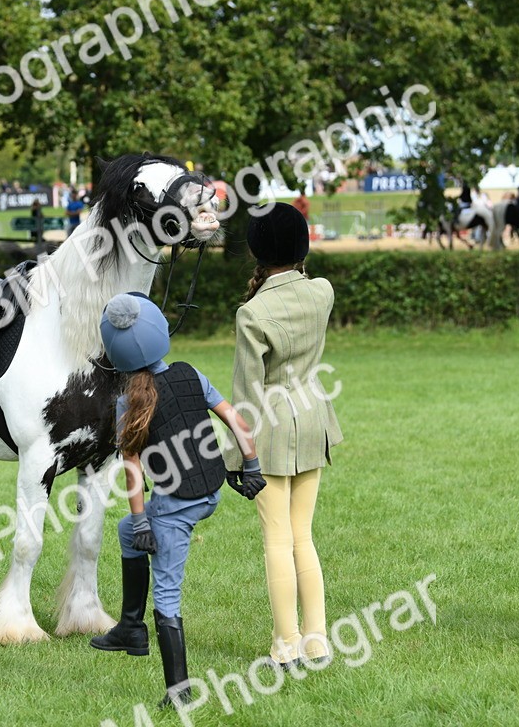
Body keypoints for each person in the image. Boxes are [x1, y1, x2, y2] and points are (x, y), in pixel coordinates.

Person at [89, 292, 262, 708]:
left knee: (167, 594)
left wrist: (147, 520)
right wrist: (252, 465)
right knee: (126, 531)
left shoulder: (126, 403)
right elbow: (237, 420)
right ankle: (130, 627)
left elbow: (131, 466)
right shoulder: (190, 373)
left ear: (115, 355)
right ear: (160, 332)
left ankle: (179, 693)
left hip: (174, 507)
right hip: (208, 492)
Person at [233, 202, 343, 667]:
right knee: (304, 535)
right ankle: (316, 637)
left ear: (257, 252)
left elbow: (245, 396)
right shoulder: (322, 291)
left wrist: (238, 457)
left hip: (272, 425)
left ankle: (285, 642)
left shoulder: (251, 313)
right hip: (314, 414)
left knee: (277, 539)